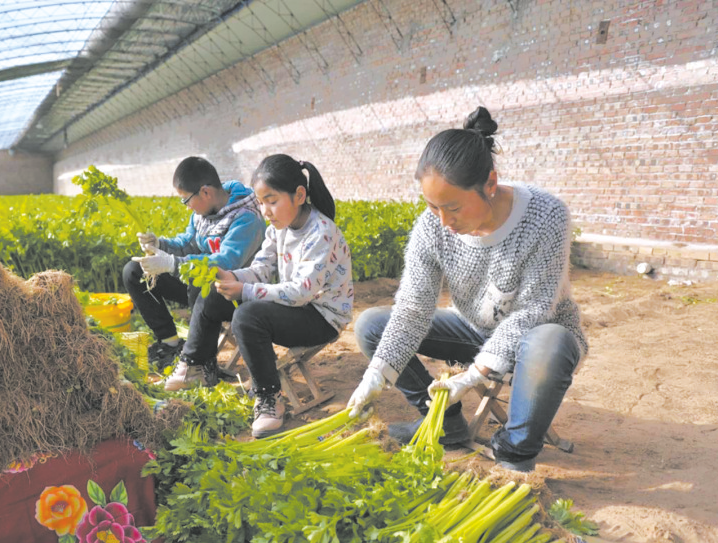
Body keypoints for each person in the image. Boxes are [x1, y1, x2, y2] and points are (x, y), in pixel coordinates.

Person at [347, 107, 588, 472]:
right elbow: (413, 308)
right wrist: (377, 373)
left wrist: (476, 374)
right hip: (474, 329)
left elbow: (535, 308)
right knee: (372, 325)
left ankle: (515, 453)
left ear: (490, 184)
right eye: (433, 207)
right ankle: (445, 422)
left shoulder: (545, 215)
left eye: (453, 208)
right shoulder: (433, 228)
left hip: (538, 336)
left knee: (548, 341)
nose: (444, 221)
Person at [164, 154, 353, 438]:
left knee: (248, 315)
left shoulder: (321, 233)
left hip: (321, 317)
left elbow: (301, 292)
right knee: (214, 292)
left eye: (271, 201)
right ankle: (195, 365)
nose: (265, 211)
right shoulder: (279, 228)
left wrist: (245, 290)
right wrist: (232, 276)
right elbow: (262, 269)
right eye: (261, 202)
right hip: (294, 306)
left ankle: (269, 398)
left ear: (299, 195)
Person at [124, 156, 266, 370]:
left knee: (204, 282)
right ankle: (171, 344)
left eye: (186, 200)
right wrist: (160, 244)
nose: (187, 207)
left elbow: (226, 261)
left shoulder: (246, 218)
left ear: (205, 192)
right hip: (199, 287)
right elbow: (186, 243)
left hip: (233, 294)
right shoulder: (202, 213)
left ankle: (201, 362)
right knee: (134, 271)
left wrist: (173, 264)